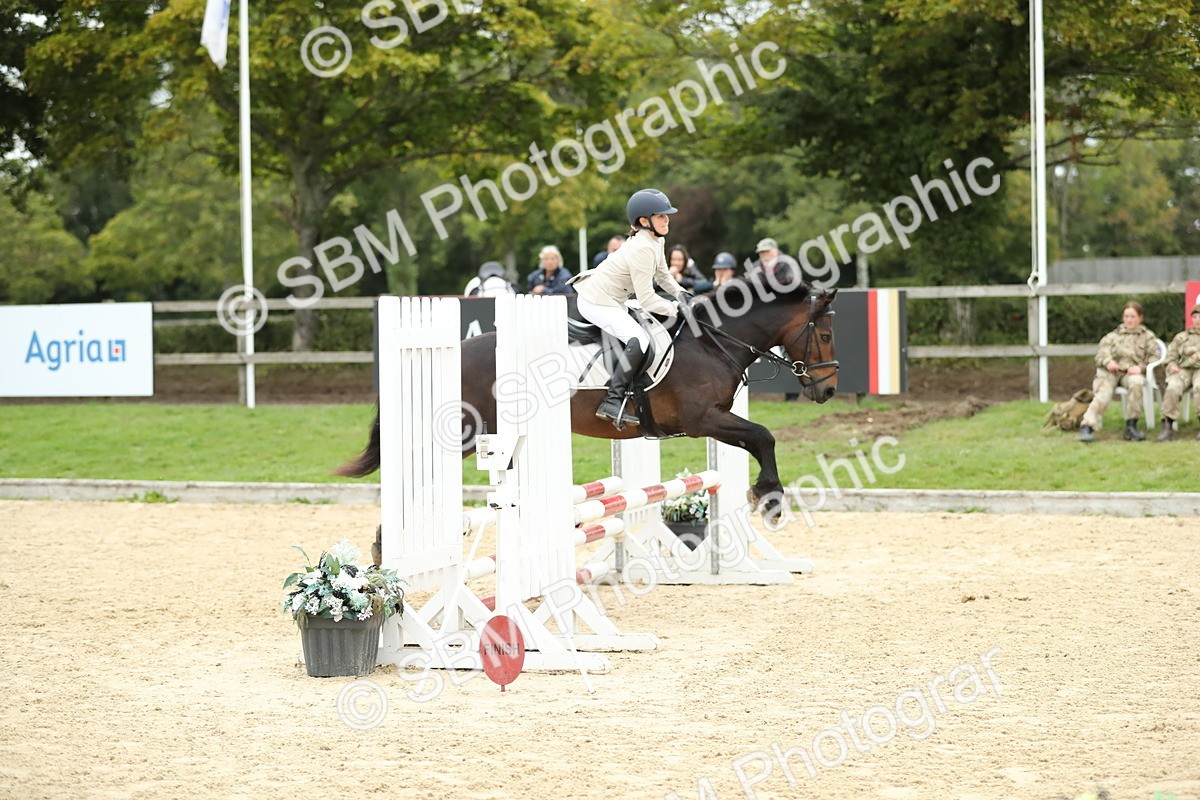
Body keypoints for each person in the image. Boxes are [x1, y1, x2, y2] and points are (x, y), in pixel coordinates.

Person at [569, 188, 691, 427]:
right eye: (661, 216)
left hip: (614, 298)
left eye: (667, 215)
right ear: (644, 221)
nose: (667, 219)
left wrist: (683, 294)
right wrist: (677, 308)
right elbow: (647, 299)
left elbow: (664, 276)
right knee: (639, 340)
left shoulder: (656, 240)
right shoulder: (642, 248)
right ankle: (612, 401)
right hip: (596, 300)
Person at [1078, 301, 1160, 443]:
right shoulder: (1113, 336)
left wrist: (1141, 368)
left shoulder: (1148, 337)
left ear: (1140, 318)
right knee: (1103, 392)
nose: (1129, 320)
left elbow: (1155, 357)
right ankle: (1087, 426)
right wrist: (1108, 361)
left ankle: (1131, 426)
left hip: (1131, 373)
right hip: (1112, 372)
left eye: (1133, 316)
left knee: (1137, 383)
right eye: (1126, 316)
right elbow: (1101, 353)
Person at [1156, 301, 1200, 441]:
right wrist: (1172, 365)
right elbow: (1170, 356)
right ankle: (1168, 425)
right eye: (1195, 317)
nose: (1198, 320)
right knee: (1173, 387)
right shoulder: (1181, 337)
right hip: (1183, 370)